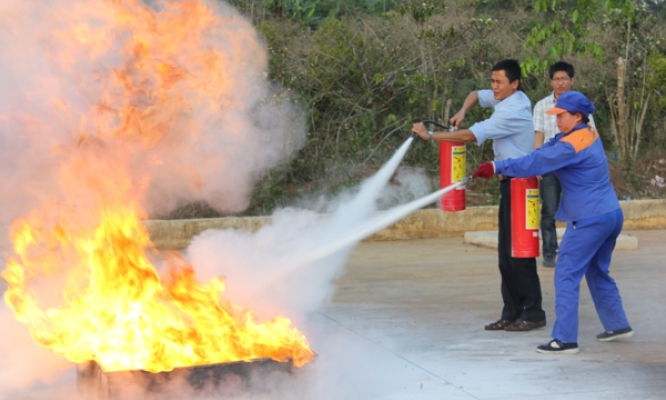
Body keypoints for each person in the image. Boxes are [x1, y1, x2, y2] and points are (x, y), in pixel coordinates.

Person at [472, 91, 633, 353]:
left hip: (590, 218)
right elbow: (549, 147)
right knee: (596, 270)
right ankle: (618, 324)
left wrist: (497, 166)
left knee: (566, 274)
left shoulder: (571, 146)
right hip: (611, 214)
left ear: (577, 116)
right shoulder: (588, 133)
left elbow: (539, 161)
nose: (556, 120)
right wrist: (510, 163)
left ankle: (565, 339)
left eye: (561, 115)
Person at [412, 59, 547, 332]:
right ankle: (512, 311)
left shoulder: (513, 111)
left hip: (523, 185)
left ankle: (533, 312)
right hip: (509, 185)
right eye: (492, 81)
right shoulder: (507, 97)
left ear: (515, 84)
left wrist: (431, 136)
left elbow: (472, 136)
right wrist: (463, 109)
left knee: (520, 254)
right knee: (505, 256)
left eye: (499, 82)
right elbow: (475, 94)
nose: (493, 87)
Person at [534, 62, 596, 267]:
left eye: (564, 79)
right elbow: (539, 135)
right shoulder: (542, 106)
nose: (560, 83)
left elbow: (590, 135)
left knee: (579, 208)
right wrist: (538, 164)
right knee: (549, 209)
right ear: (551, 81)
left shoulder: (581, 104)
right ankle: (550, 252)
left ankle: (578, 251)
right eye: (556, 79)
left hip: (575, 166)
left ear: (572, 80)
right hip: (551, 164)